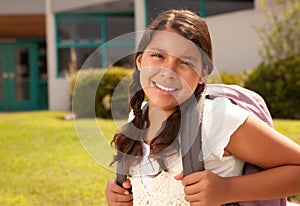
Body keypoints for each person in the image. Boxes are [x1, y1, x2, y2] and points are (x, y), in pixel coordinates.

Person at [105, 9, 300, 206]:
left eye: (185, 62)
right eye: (158, 56)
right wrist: (121, 195)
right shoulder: (138, 117)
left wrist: (228, 189)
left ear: (203, 74)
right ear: (140, 61)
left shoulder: (216, 118)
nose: (168, 71)